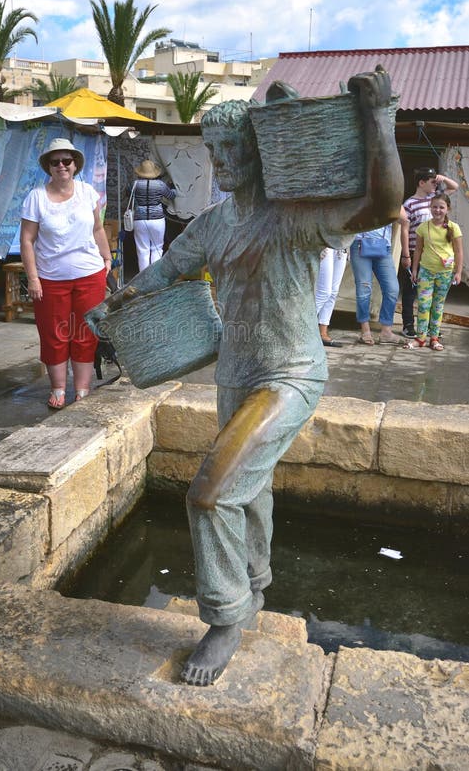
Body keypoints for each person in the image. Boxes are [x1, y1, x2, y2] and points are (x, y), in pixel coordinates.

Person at [89, 67, 403, 686]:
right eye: (214, 149)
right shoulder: (211, 224)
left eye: (234, 148)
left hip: (289, 374)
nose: (223, 159)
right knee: (249, 489)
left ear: (260, 151)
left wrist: (381, 121)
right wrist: (115, 301)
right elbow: (162, 274)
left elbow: (383, 205)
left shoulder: (296, 216)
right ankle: (256, 584)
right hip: (234, 371)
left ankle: (226, 617)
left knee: (210, 492)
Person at [20, 138, 112, 409]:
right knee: (54, 333)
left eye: (66, 161)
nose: (61, 166)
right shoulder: (36, 197)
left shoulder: (87, 193)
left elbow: (97, 228)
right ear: (48, 166)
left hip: (89, 273)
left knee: (85, 331)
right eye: (55, 161)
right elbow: (27, 239)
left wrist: (107, 258)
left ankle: (82, 389)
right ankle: (58, 389)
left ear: (75, 165)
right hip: (50, 278)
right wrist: (33, 278)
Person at [400, 168, 458, 338]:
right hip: (413, 250)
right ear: (421, 183)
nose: (436, 184)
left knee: (433, 294)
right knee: (411, 290)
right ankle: (408, 325)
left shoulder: (434, 201)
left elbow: (454, 187)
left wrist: (443, 178)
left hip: (432, 254)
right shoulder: (409, 203)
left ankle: (431, 328)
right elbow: (404, 230)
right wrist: (406, 255)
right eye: (432, 181)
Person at [405, 193, 463, 351]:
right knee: (424, 305)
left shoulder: (453, 228)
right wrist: (415, 270)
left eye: (441, 207)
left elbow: (459, 252)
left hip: (445, 273)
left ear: (448, 209)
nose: (438, 210)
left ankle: (434, 338)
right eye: (435, 207)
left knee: (438, 306)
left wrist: (458, 272)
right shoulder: (423, 227)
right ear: (430, 208)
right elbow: (417, 250)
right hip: (426, 272)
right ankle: (421, 338)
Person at [349, 210, 406, 345]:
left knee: (392, 288)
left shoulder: (386, 195)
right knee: (364, 288)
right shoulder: (363, 192)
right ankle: (365, 330)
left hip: (382, 246)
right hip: (360, 243)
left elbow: (404, 218)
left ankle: (386, 331)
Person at [129, 160, 177, 271]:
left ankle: (143, 278)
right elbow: (171, 196)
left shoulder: (135, 184)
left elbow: (128, 193)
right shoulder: (160, 185)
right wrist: (174, 189)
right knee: (157, 248)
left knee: (142, 250)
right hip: (157, 220)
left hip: (140, 220)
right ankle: (154, 277)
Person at [315, 248, 347, 347]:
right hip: (325, 243)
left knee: (333, 292)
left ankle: (323, 332)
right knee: (324, 292)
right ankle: (300, 327)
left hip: (341, 243)